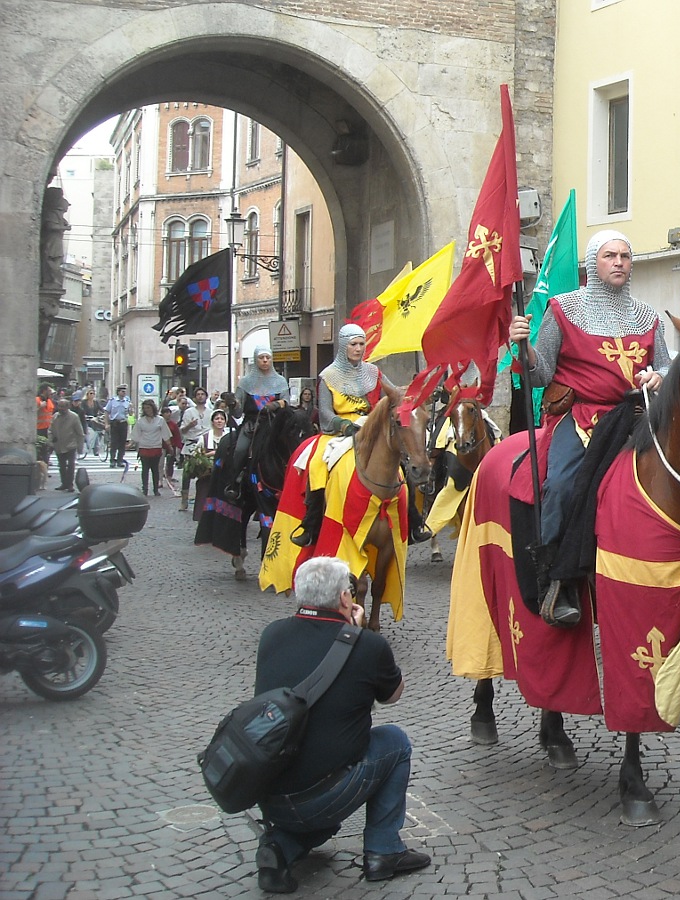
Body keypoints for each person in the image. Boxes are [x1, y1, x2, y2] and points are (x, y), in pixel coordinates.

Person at [508, 229, 670, 625]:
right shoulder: (565, 309)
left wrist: (661, 376)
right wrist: (524, 346)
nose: (619, 262)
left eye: (625, 257)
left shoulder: (648, 317)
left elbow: (666, 363)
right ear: (592, 265)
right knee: (562, 484)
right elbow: (542, 371)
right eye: (609, 256)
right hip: (581, 417)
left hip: (634, 416)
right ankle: (556, 581)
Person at [254, 556, 429, 893]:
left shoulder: (271, 634)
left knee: (319, 825)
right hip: (324, 796)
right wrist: (357, 634)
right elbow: (393, 695)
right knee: (395, 741)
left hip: (270, 792)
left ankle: (279, 847)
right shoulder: (367, 644)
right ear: (346, 599)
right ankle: (383, 851)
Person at [289, 324, 401, 546]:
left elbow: (394, 394)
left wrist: (414, 393)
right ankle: (311, 523)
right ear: (343, 346)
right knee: (317, 464)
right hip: (339, 432)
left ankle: (414, 519)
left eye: (361, 344)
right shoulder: (328, 375)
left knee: (401, 459)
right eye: (353, 344)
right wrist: (343, 425)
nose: (358, 349)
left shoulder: (374, 373)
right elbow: (326, 414)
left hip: (371, 427)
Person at [224, 346, 289, 500]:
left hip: (275, 425)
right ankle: (235, 482)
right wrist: (233, 404)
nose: (265, 360)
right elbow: (238, 413)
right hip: (252, 426)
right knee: (240, 450)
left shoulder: (280, 381)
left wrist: (277, 404)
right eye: (261, 358)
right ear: (255, 359)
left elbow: (288, 403)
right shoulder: (246, 382)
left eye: (268, 357)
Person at [192, 408, 227, 522]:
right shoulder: (205, 438)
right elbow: (196, 455)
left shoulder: (229, 437)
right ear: (212, 422)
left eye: (222, 419)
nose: (219, 421)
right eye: (217, 418)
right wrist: (208, 455)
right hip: (207, 475)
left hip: (224, 476)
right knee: (205, 497)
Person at [131, 399, 171, 496]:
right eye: (145, 408)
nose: (147, 410)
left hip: (156, 447)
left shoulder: (160, 420)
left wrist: (169, 446)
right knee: (145, 469)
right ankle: (145, 489)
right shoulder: (140, 421)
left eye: (148, 408)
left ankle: (155, 489)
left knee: (155, 469)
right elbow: (136, 435)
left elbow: (165, 434)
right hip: (144, 447)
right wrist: (131, 444)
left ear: (153, 408)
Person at [48, 403, 84, 491]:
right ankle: (64, 483)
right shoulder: (55, 417)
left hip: (70, 444)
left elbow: (80, 433)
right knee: (62, 465)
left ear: (68, 407)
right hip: (59, 445)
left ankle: (70, 484)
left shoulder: (74, 417)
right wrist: (50, 441)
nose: (61, 408)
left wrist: (80, 447)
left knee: (71, 465)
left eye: (63, 406)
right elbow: (50, 430)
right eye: (59, 406)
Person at [176, 395, 203, 511]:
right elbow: (182, 430)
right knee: (187, 474)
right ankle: (184, 499)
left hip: (204, 445)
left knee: (205, 474)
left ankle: (202, 500)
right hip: (190, 445)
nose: (200, 397)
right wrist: (190, 425)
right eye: (198, 395)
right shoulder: (188, 412)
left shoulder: (211, 412)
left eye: (203, 394)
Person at [104, 384, 132, 468]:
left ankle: (120, 460)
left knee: (122, 443)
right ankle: (112, 460)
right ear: (118, 392)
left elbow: (130, 414)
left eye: (125, 392)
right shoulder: (112, 401)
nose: (124, 393)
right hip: (114, 423)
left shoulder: (127, 401)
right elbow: (106, 412)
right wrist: (106, 423)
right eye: (122, 391)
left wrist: (131, 409)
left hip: (123, 423)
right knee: (114, 442)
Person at [78, 389, 104, 457]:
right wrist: (84, 415)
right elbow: (81, 410)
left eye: (93, 394)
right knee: (86, 431)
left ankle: (96, 449)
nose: (92, 395)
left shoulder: (96, 402)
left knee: (97, 431)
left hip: (94, 419)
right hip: (86, 419)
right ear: (87, 395)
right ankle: (85, 444)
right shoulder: (83, 402)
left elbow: (101, 409)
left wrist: (104, 414)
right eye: (91, 393)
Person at [35, 383, 55, 465]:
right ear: (44, 391)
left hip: (49, 428)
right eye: (49, 390)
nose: (51, 392)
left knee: (50, 446)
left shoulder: (50, 401)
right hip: (39, 429)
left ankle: (45, 462)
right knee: (41, 448)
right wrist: (40, 407)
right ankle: (42, 464)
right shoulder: (37, 400)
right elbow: (31, 413)